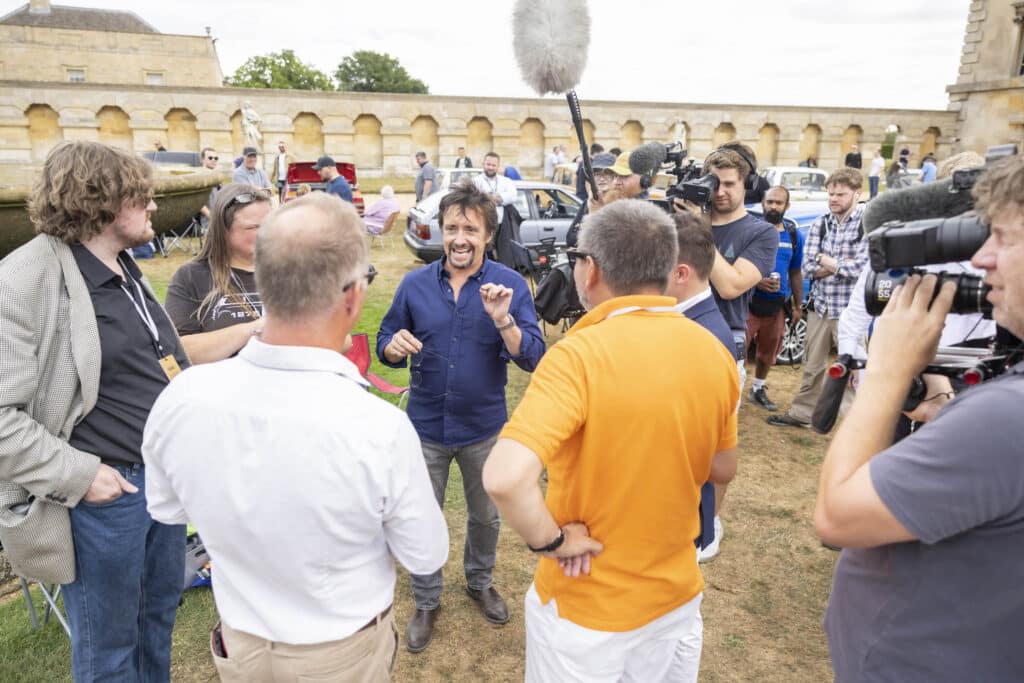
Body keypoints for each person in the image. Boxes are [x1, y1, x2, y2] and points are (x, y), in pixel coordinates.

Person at [144, 192, 449, 681]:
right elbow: (426, 554)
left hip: (240, 641)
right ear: (353, 296)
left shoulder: (183, 399)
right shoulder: (378, 427)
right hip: (339, 650)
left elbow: (166, 508)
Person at [483, 200, 739, 682]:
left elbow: (503, 477)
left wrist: (554, 541)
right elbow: (722, 468)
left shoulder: (577, 356)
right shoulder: (714, 350)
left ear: (591, 269)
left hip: (586, 611)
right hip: (677, 599)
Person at [815, 154, 1024, 682]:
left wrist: (887, 370)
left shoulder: (1006, 418)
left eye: (1003, 238)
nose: (983, 259)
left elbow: (837, 517)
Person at [0, 140, 189, 680]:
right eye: (142, 196)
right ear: (99, 200)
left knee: (156, 621)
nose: (154, 205)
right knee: (108, 648)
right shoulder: (22, 280)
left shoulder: (124, 264)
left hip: (162, 482)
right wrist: (82, 477)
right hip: (108, 497)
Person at [376, 182, 545, 653]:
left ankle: (479, 582)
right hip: (424, 426)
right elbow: (385, 341)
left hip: (483, 429)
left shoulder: (509, 286)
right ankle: (427, 599)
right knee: (420, 517)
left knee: (486, 516)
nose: (459, 237)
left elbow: (532, 356)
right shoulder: (414, 285)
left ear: (488, 234)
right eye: (452, 227)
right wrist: (392, 347)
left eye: (470, 228)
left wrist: (503, 321)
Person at [678, 144, 777, 559]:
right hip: (673, 340)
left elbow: (733, 285)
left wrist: (698, 231)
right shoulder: (683, 220)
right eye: (712, 183)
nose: (719, 192)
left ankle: (710, 522)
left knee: (717, 447)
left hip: (723, 346)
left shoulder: (761, 232)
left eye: (729, 184)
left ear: (746, 185)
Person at [664, 212, 740, 562]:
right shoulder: (689, 323)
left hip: (680, 507)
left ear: (681, 273)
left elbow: (715, 456)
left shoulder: (705, 338)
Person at [769, 168, 867, 429]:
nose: (834, 199)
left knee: (851, 369)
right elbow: (808, 268)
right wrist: (839, 263)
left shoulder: (866, 224)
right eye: (831, 194)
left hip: (851, 312)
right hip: (821, 307)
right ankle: (802, 414)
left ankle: (854, 424)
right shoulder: (821, 223)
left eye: (840, 194)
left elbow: (861, 270)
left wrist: (825, 260)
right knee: (812, 366)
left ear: (857, 194)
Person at [164, 184, 271, 364]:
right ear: (224, 230)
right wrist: (256, 328)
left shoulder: (290, 271)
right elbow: (182, 351)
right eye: (254, 227)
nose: (267, 232)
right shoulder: (192, 276)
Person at [747, 186, 804, 411]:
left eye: (778, 203)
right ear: (763, 203)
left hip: (776, 306)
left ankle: (758, 389)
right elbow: (733, 266)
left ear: (786, 206)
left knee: (768, 352)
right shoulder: (750, 231)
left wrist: (798, 305)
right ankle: (729, 392)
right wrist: (757, 281)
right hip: (748, 302)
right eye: (769, 201)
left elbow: (796, 272)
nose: (773, 206)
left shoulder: (793, 235)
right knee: (738, 350)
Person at [472, 152, 517, 223]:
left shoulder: (506, 181)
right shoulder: (475, 181)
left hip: (502, 225)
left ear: (498, 166)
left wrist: (488, 198)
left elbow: (512, 196)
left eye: (494, 165)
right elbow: (473, 199)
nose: (490, 167)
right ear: (483, 164)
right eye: (488, 164)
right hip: (481, 224)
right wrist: (498, 198)